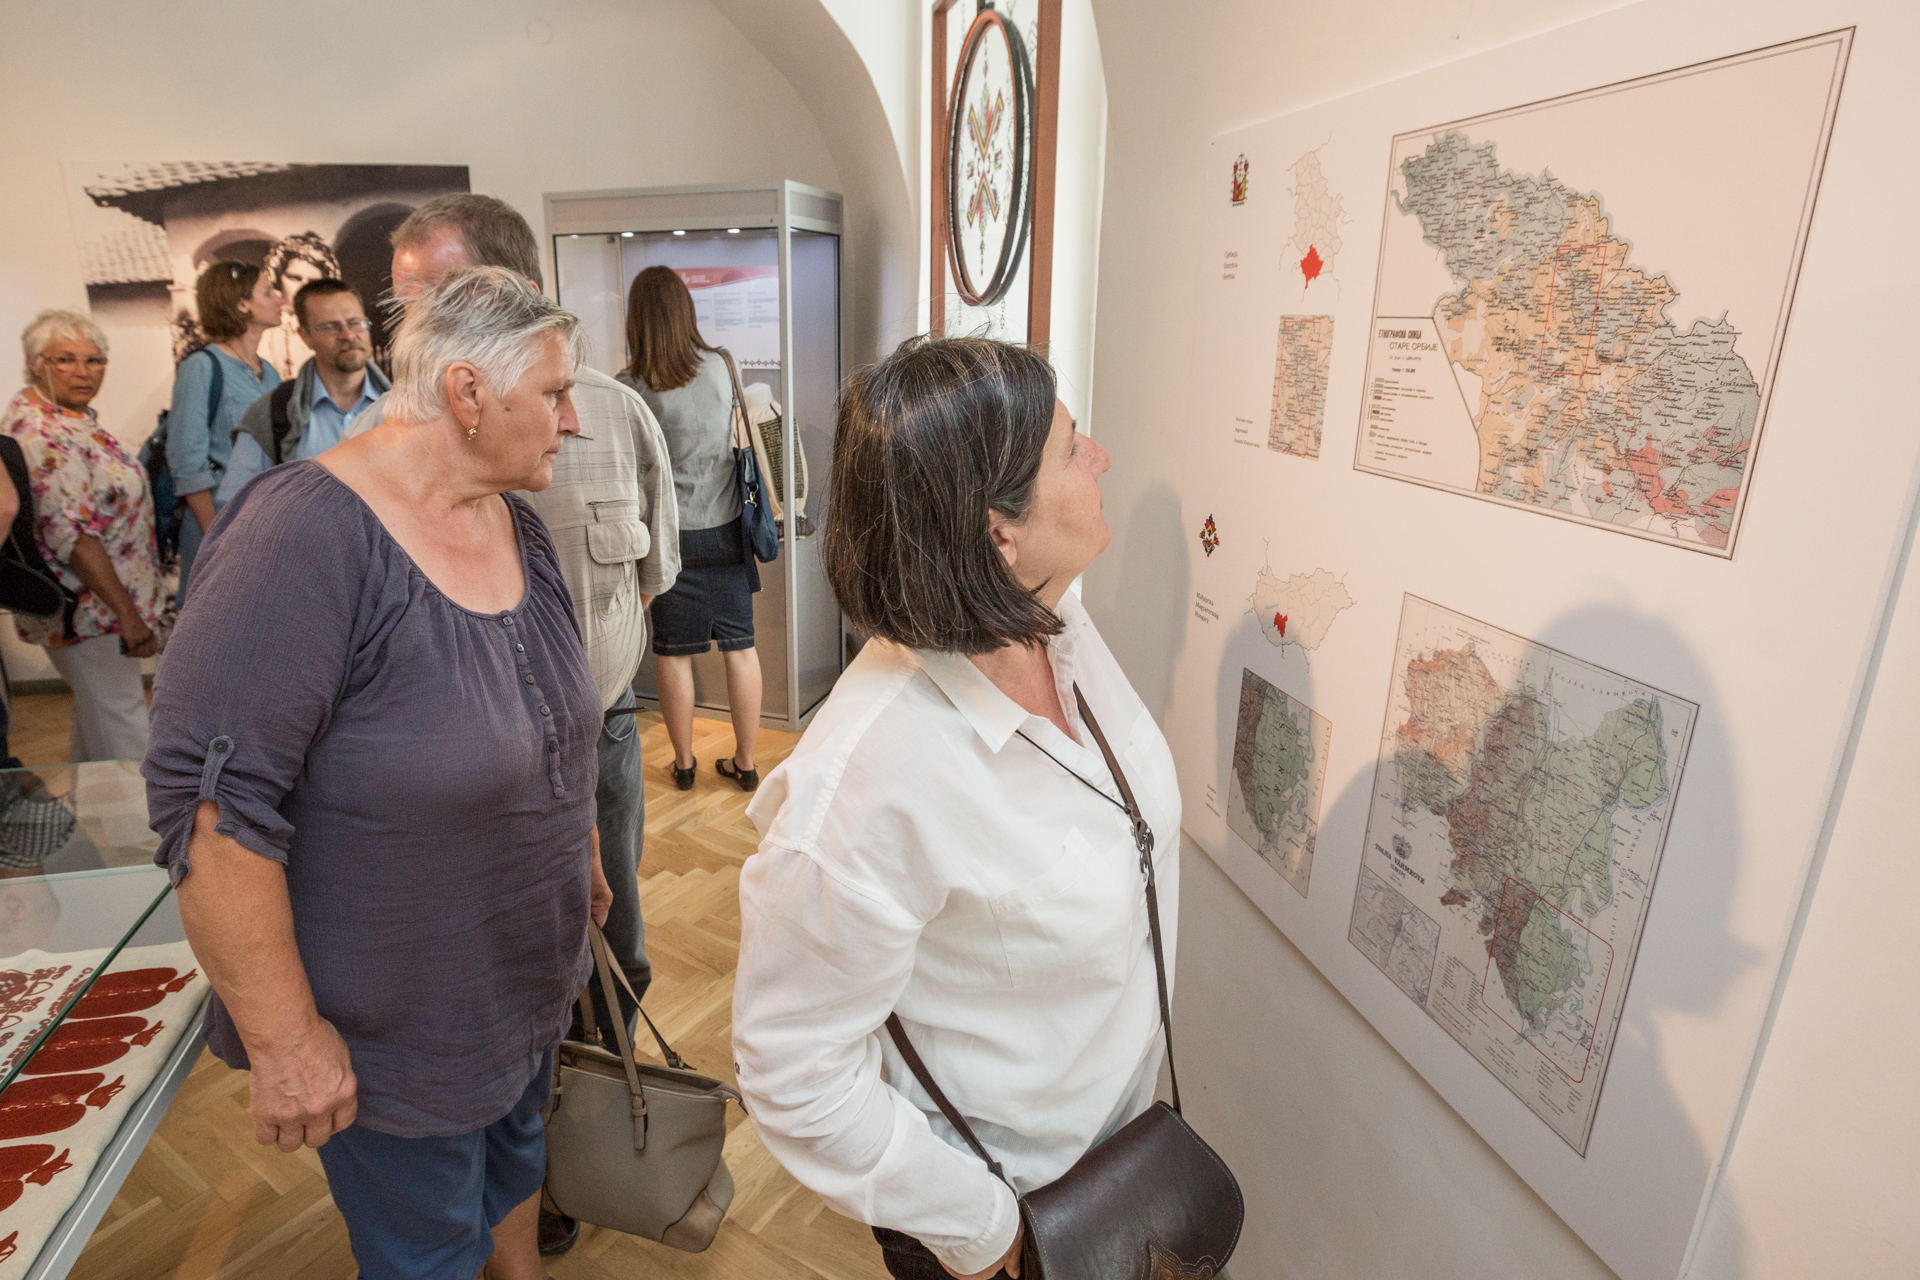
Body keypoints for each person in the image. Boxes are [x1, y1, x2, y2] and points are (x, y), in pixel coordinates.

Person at [144, 267, 610, 1280]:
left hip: (520, 979)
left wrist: (580, 846)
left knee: (515, 1167)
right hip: (399, 1017)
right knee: (425, 1246)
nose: (573, 421)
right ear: (468, 394)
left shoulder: (513, 516)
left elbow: (553, 716)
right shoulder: (299, 533)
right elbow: (210, 808)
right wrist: (286, 1040)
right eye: (556, 393)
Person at [731, 337, 1178, 1280]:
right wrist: (985, 1232)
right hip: (1014, 1215)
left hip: (1122, 1154)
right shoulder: (866, 780)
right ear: (999, 535)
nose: (1100, 458)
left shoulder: (1055, 622)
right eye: (1071, 449)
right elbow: (793, 1072)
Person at [340, 193, 679, 1257]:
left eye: (433, 296)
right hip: (450, 834)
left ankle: (593, 1127)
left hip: (590, 749)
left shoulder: (606, 420)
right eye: (401, 305)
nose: (408, 327)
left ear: (510, 289)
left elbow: (652, 576)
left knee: (608, 951)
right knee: (487, 1012)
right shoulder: (356, 472)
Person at [619, 266, 761, 793]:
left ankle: (683, 764)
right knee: (740, 646)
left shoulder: (630, 386)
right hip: (727, 528)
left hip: (669, 536)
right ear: (686, 310)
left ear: (637, 319)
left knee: (674, 652)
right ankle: (746, 762)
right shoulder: (725, 365)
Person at [2, 310, 163, 762]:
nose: (83, 372)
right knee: (125, 726)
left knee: (99, 719)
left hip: (98, 607)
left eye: (94, 360)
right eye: (65, 359)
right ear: (36, 363)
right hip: (90, 609)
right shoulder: (41, 433)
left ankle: (92, 804)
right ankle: (141, 811)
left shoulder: (69, 418)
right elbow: (74, 538)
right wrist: (127, 614)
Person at [166, 262, 284, 598]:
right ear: (242, 304)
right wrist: (215, 537)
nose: (280, 299)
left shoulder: (269, 373)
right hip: (220, 525)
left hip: (266, 526)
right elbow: (187, 462)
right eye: (268, 292)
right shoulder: (201, 367)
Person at [216, 278, 387, 502]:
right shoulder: (272, 414)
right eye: (330, 327)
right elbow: (235, 505)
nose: (347, 335)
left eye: (355, 323)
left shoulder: (407, 405)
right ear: (305, 336)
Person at [259, 231, 341, 379]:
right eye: (294, 278)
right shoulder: (264, 331)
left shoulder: (332, 331)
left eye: (312, 282)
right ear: (278, 278)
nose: (303, 288)